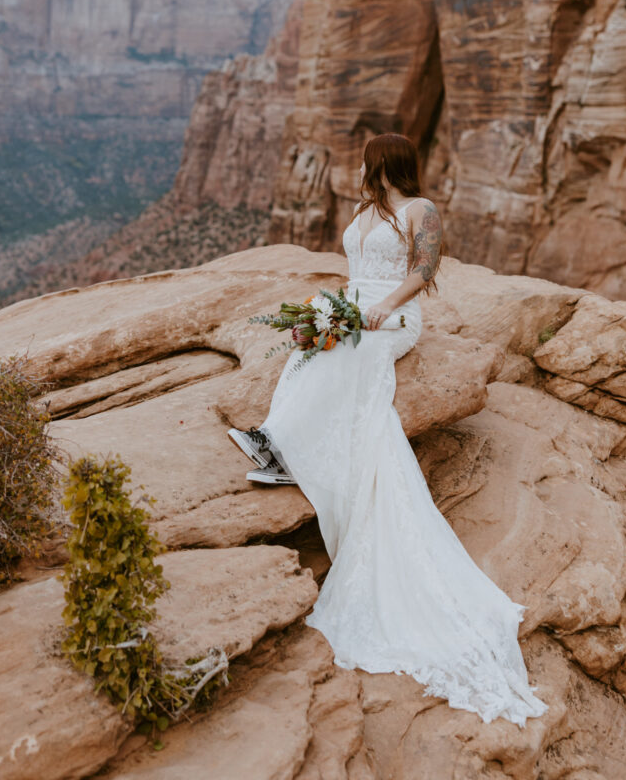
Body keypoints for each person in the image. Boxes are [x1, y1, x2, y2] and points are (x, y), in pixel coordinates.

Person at [228, 133, 549, 727]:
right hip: (354, 305)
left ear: (383, 163)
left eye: (363, 158)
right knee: (308, 351)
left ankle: (280, 450)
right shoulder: (364, 211)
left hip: (394, 314)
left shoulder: (418, 211)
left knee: (348, 359)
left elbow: (424, 271)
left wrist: (380, 309)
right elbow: (353, 266)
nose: (354, 166)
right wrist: (336, 308)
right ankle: (276, 442)